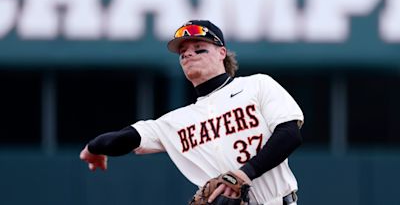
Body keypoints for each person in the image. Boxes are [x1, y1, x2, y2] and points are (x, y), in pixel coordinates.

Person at [80, 20, 304, 205]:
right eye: (182, 53)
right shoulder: (176, 122)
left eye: (199, 48)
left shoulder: (256, 85)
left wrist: (245, 173)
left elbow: (289, 134)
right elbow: (127, 137)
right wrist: (93, 149)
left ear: (221, 53)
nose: (188, 54)